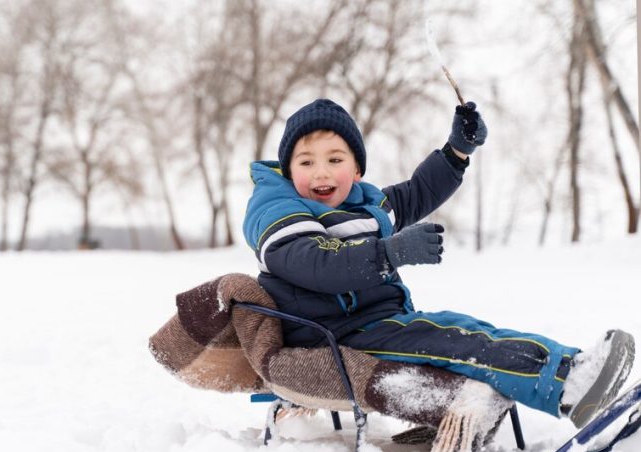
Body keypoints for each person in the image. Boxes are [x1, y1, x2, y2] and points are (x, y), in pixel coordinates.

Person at [242, 98, 634, 427]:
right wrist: (388, 254)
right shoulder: (278, 209)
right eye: (306, 162)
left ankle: (570, 368)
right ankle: (569, 384)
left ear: (357, 169)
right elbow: (313, 264)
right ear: (288, 169)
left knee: (463, 328)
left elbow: (416, 193)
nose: (321, 172)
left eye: (334, 159)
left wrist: (457, 151)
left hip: (371, 323)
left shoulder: (362, 204)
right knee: (455, 341)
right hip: (331, 334)